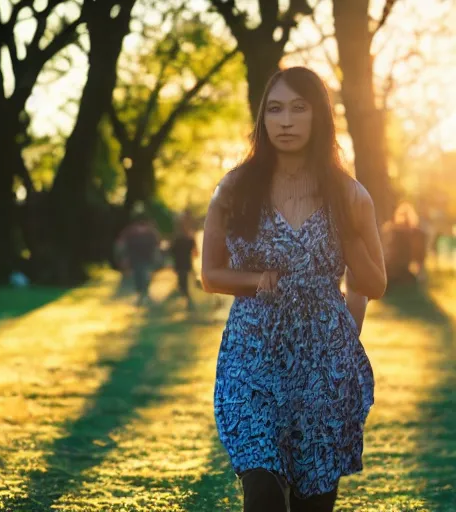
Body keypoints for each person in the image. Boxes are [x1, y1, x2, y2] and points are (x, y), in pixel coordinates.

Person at [201, 66, 386, 511]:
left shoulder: (351, 194)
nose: (285, 121)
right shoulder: (235, 189)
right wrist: (254, 281)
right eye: (275, 109)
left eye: (299, 109)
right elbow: (211, 274)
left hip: (324, 363)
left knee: (314, 500)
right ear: (262, 120)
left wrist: (347, 232)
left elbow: (372, 283)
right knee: (261, 486)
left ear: (319, 117)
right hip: (253, 356)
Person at [116, 204, 161, 306]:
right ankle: (142, 293)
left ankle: (143, 293)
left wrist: (156, 254)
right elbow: (122, 244)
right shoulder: (132, 231)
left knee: (144, 275)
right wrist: (124, 257)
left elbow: (156, 244)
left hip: (145, 257)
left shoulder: (147, 231)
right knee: (139, 275)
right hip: (137, 258)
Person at [170, 210, 198, 310]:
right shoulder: (189, 238)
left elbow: (172, 250)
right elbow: (195, 252)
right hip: (186, 262)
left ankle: (186, 297)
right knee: (185, 279)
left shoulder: (176, 238)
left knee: (182, 280)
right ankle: (187, 297)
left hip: (179, 262)